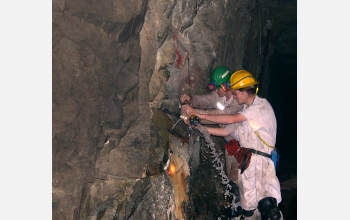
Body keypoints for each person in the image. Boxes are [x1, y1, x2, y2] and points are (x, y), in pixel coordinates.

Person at [188, 70, 283, 219]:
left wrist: (199, 114)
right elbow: (226, 131)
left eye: (236, 92)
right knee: (247, 212)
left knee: (269, 211)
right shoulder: (246, 111)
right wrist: (200, 128)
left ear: (245, 90)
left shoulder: (260, 106)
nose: (234, 95)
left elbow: (231, 119)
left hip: (262, 166)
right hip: (248, 166)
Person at [180, 65, 243, 183]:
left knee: (239, 181)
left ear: (227, 86)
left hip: (244, 145)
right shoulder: (219, 95)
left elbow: (221, 115)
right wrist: (191, 99)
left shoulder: (238, 101)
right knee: (231, 179)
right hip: (230, 143)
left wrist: (195, 113)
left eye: (219, 88)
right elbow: (205, 100)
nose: (216, 91)